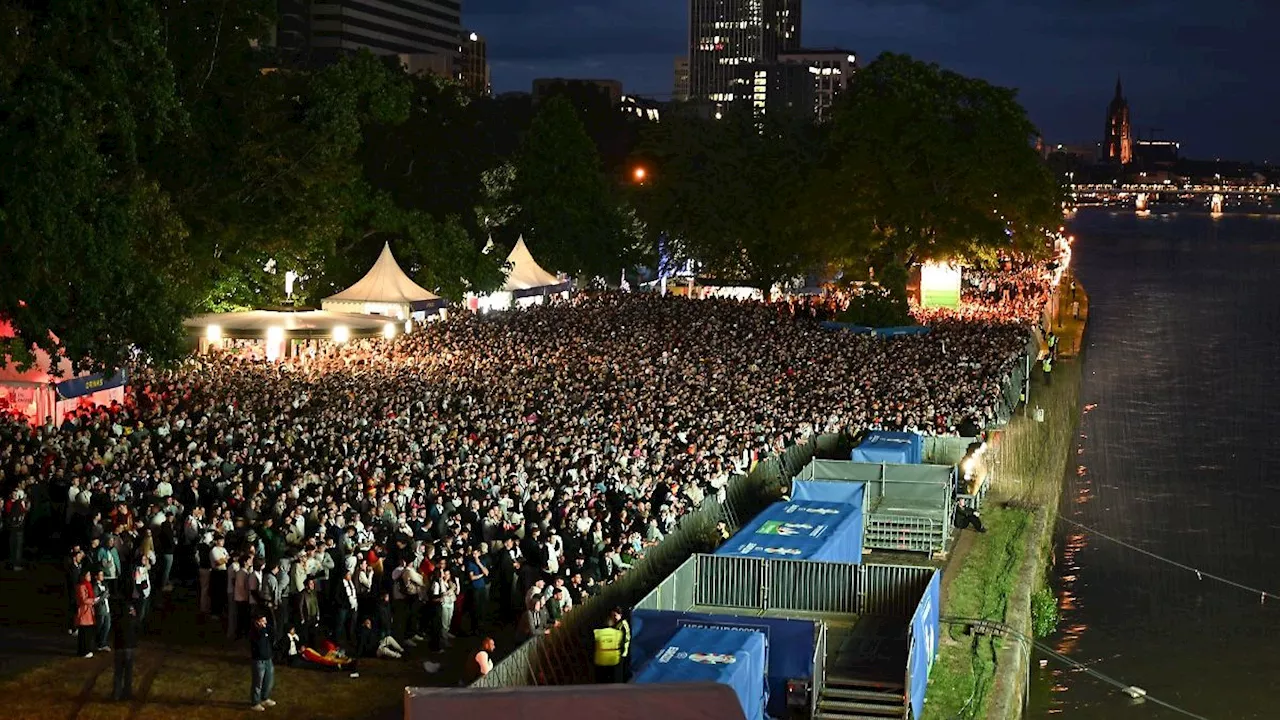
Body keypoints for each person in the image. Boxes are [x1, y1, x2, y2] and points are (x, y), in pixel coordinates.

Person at [249, 614, 276, 712]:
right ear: (257, 622)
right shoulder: (254, 632)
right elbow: (259, 639)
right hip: (258, 661)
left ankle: (265, 698)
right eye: (263, 621)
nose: (265, 624)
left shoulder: (265, 630)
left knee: (268, 680)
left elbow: (272, 633)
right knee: (258, 683)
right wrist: (263, 630)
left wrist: (267, 628)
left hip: (268, 659)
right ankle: (255, 703)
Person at [112, 605, 139, 701]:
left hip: (119, 648)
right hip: (129, 648)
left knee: (118, 673)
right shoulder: (133, 621)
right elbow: (138, 629)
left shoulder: (117, 620)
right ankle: (127, 693)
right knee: (128, 672)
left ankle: (116, 694)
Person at [592, 616, 623, 684]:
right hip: (613, 660)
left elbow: (592, 644)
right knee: (612, 679)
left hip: (600, 660)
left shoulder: (597, 632)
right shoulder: (618, 633)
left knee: (600, 680)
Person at [75, 570, 97, 658]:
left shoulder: (88, 586)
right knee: (84, 633)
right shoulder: (81, 587)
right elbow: (83, 600)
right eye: (88, 575)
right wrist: (93, 601)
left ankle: (86, 649)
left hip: (88, 611)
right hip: (84, 612)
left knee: (88, 632)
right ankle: (83, 651)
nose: (90, 576)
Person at [611, 607, 631, 681]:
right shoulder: (617, 624)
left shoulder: (623, 624)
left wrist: (622, 650)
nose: (613, 617)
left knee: (619, 672)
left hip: (621, 652)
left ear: (620, 615)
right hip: (617, 652)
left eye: (615, 615)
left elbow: (625, 638)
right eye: (612, 616)